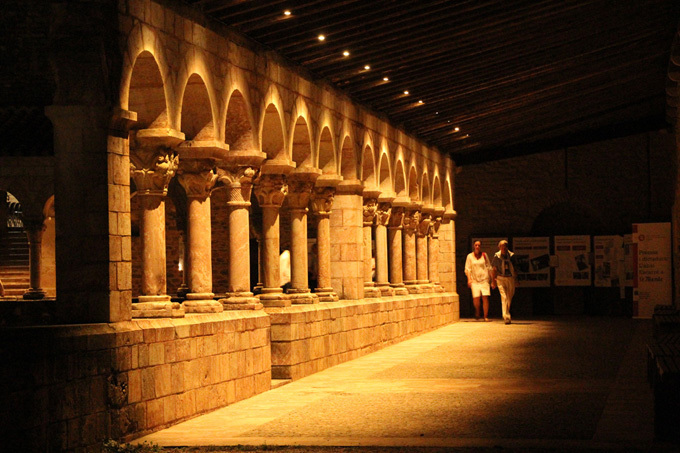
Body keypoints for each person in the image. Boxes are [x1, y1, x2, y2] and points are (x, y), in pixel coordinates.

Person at [491, 239, 518, 324]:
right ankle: (506, 316)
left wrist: (516, 279)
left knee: (509, 297)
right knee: (504, 297)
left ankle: (507, 313)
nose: (503, 247)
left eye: (505, 246)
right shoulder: (496, 256)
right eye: (502, 246)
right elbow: (494, 269)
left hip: (510, 278)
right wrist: (493, 281)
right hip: (500, 278)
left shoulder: (512, 256)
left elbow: (515, 269)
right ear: (499, 247)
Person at [464, 240, 492, 321]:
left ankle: (485, 316)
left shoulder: (484, 255)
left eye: (479, 245)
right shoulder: (470, 256)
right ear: (473, 246)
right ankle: (477, 311)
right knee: (476, 298)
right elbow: (467, 269)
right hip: (475, 280)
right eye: (476, 245)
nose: (477, 247)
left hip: (484, 279)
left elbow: (489, 267)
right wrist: (469, 279)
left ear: (480, 247)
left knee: (485, 297)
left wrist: (493, 279)